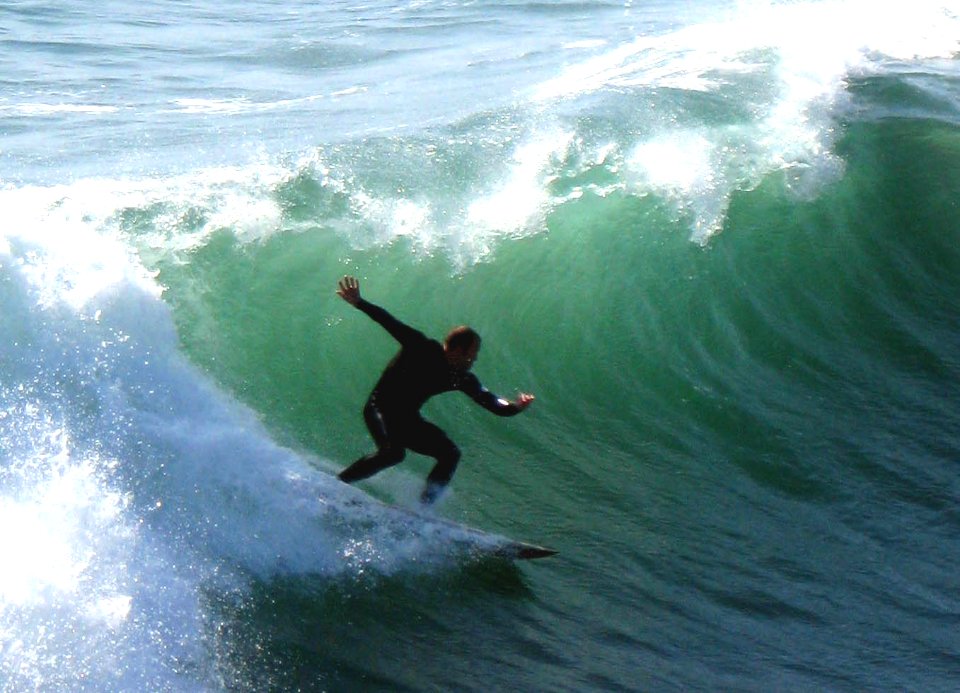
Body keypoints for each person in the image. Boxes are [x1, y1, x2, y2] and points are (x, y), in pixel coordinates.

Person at [335, 275, 535, 504]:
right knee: (393, 453)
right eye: (472, 353)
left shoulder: (460, 378)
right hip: (378, 408)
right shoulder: (422, 347)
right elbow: (389, 322)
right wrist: (359, 302)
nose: (475, 359)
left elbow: (491, 401)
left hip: (406, 418)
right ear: (457, 350)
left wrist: (516, 406)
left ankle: (424, 507)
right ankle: (338, 484)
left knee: (450, 454)